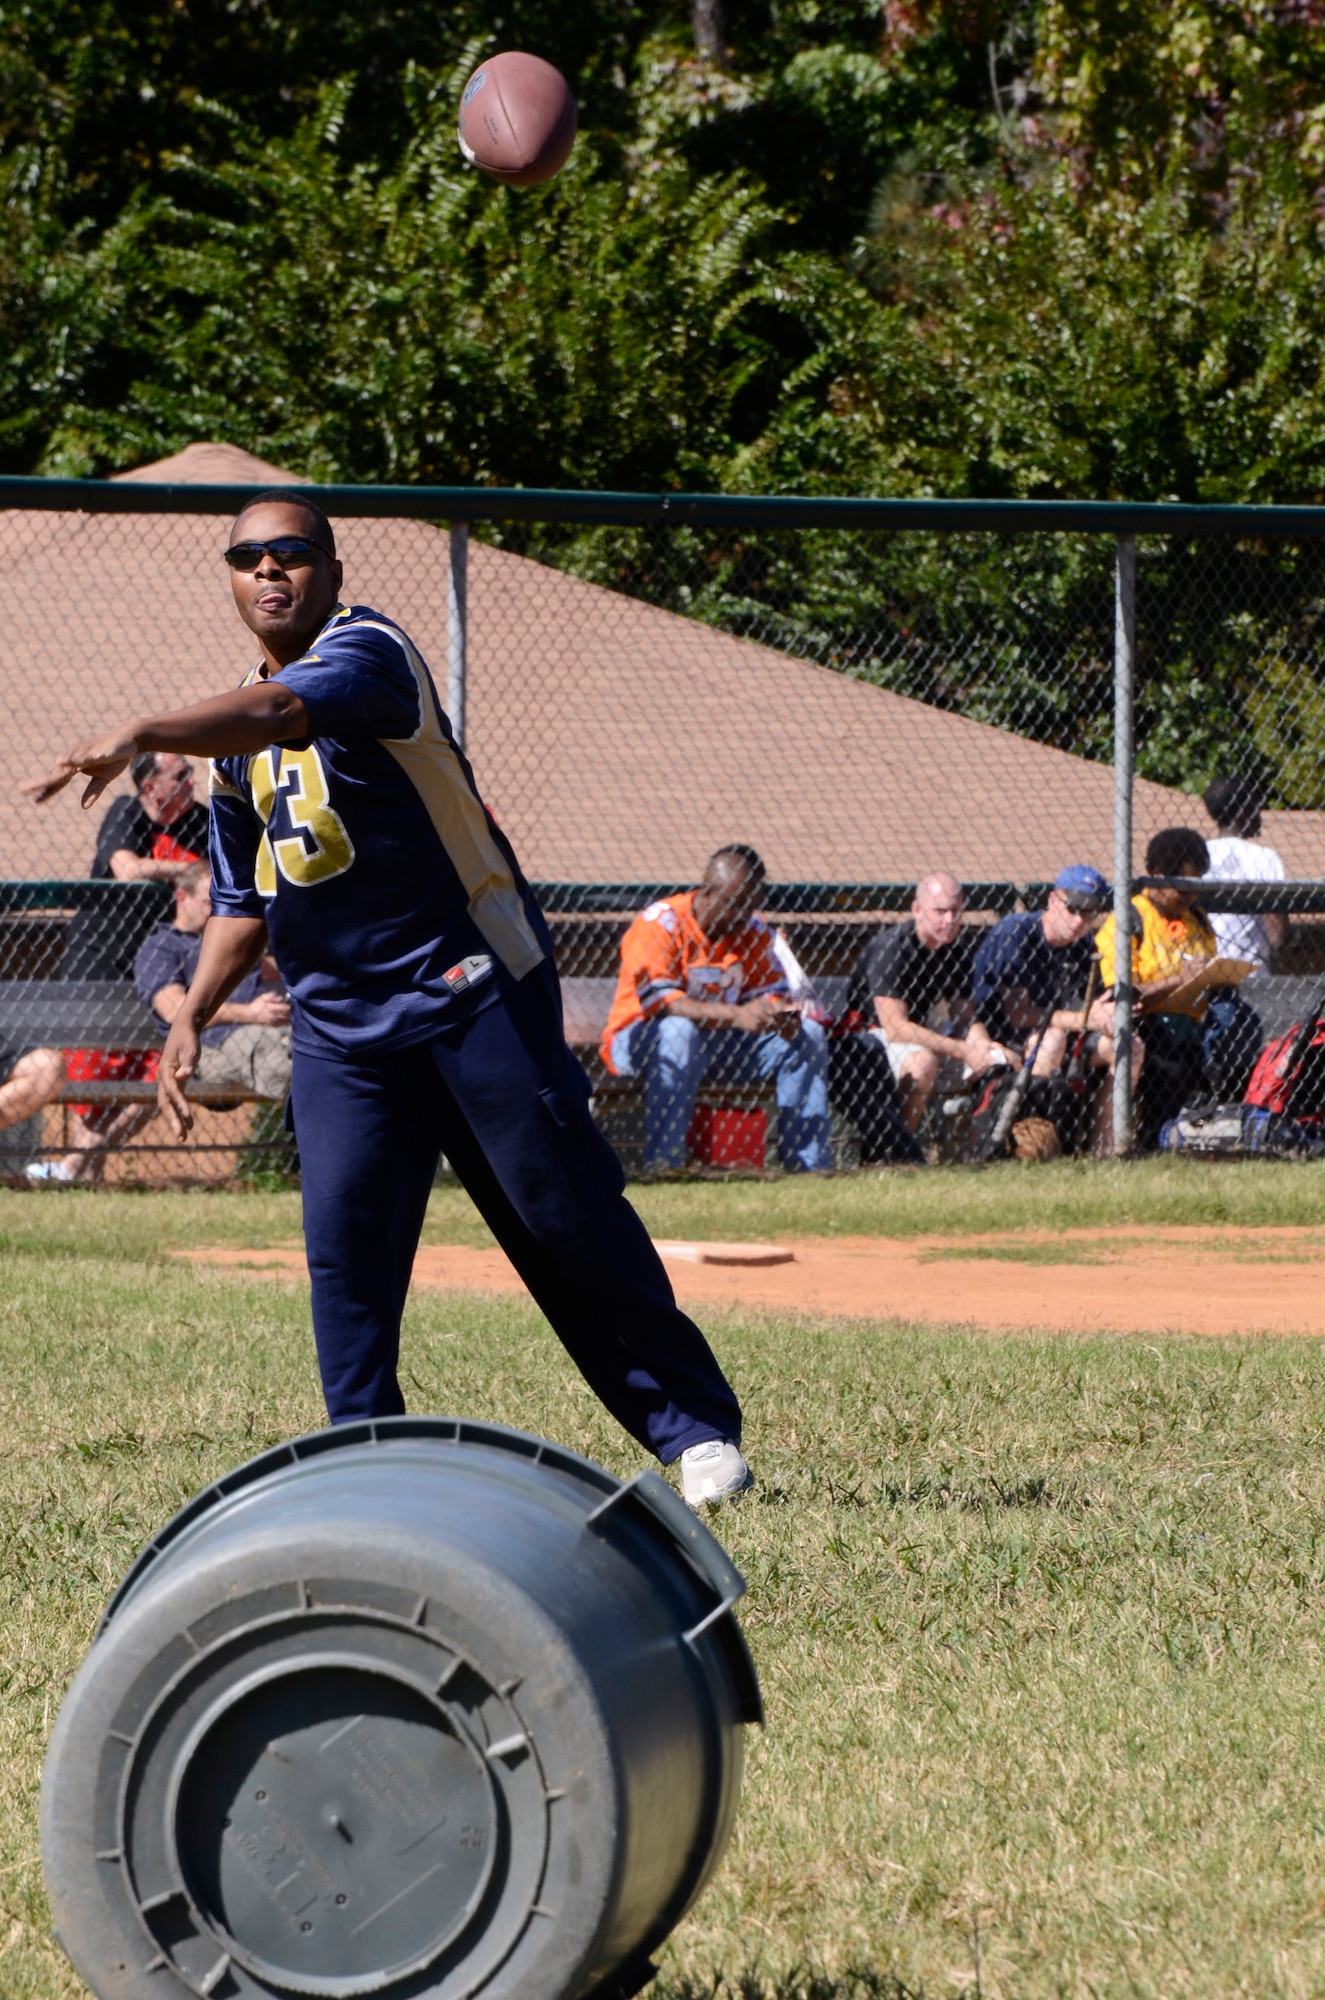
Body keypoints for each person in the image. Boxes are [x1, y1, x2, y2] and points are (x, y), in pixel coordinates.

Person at [25, 491, 751, 1508]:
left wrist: (145, 726)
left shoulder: (370, 652)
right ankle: (367, 1461)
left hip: (470, 991)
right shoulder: (232, 733)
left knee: (558, 1215)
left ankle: (694, 1431)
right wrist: (190, 1009)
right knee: (347, 1253)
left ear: (330, 569)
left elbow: (286, 711)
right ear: (230, 575)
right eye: (247, 555)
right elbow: (242, 896)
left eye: (291, 553)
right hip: (338, 1029)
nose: (269, 571)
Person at [601, 846, 832, 1174]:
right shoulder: (661, 922)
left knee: (809, 1034)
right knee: (678, 1032)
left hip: (719, 1046)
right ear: (707, 892)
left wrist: (779, 1015)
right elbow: (662, 1004)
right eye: (735, 905)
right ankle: (666, 1167)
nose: (743, 916)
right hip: (640, 1042)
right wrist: (739, 1015)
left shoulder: (753, 931)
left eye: (750, 906)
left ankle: (809, 1167)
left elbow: (770, 993)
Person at [972, 865, 1139, 1150]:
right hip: (1009, 1036)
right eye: (1072, 908)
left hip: (1065, 1035)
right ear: (1052, 901)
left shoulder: (1083, 944)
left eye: (1089, 913)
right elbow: (1018, 1014)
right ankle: (1033, 1148)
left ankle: (1107, 1151)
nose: (1078, 920)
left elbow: (1089, 1007)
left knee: (1131, 1047)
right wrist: (1085, 1019)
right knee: (1050, 1041)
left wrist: (1107, 1013)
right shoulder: (1017, 932)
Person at [846, 872, 1011, 1134]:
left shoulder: (954, 949)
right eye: (940, 911)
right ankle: (898, 1153)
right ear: (917, 909)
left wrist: (982, 1044)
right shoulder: (892, 948)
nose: (949, 920)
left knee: (1003, 1059)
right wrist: (963, 1050)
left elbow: (965, 1018)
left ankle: (978, 1151)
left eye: (956, 911)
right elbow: (895, 1028)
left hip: (918, 1037)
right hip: (868, 1039)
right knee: (923, 1063)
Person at [1096, 826, 1218, 1147]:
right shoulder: (1130, 918)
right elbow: (1123, 993)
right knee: (1170, 1056)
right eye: (1183, 887)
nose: (1191, 897)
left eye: (1196, 887)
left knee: (1239, 1027)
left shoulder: (1197, 920)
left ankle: (1216, 1133)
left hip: (1197, 1024)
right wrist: (1180, 978)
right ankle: (1155, 1140)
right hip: (1151, 1025)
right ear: (1158, 875)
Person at [134, 862, 292, 1100]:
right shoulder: (162, 947)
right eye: (209, 903)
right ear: (181, 897)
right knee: (282, 1059)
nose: (219, 912)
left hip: (267, 1034)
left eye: (223, 903)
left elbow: (278, 967)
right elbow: (173, 1010)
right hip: (211, 1046)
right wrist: (250, 1014)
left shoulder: (232, 941)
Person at [1201, 775, 1286, 1098]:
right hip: (1252, 980)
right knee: (1254, 1063)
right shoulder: (1262, 858)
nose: (1260, 815)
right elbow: (1277, 935)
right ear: (1244, 810)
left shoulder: (1199, 854)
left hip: (1201, 976)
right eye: (1257, 807)